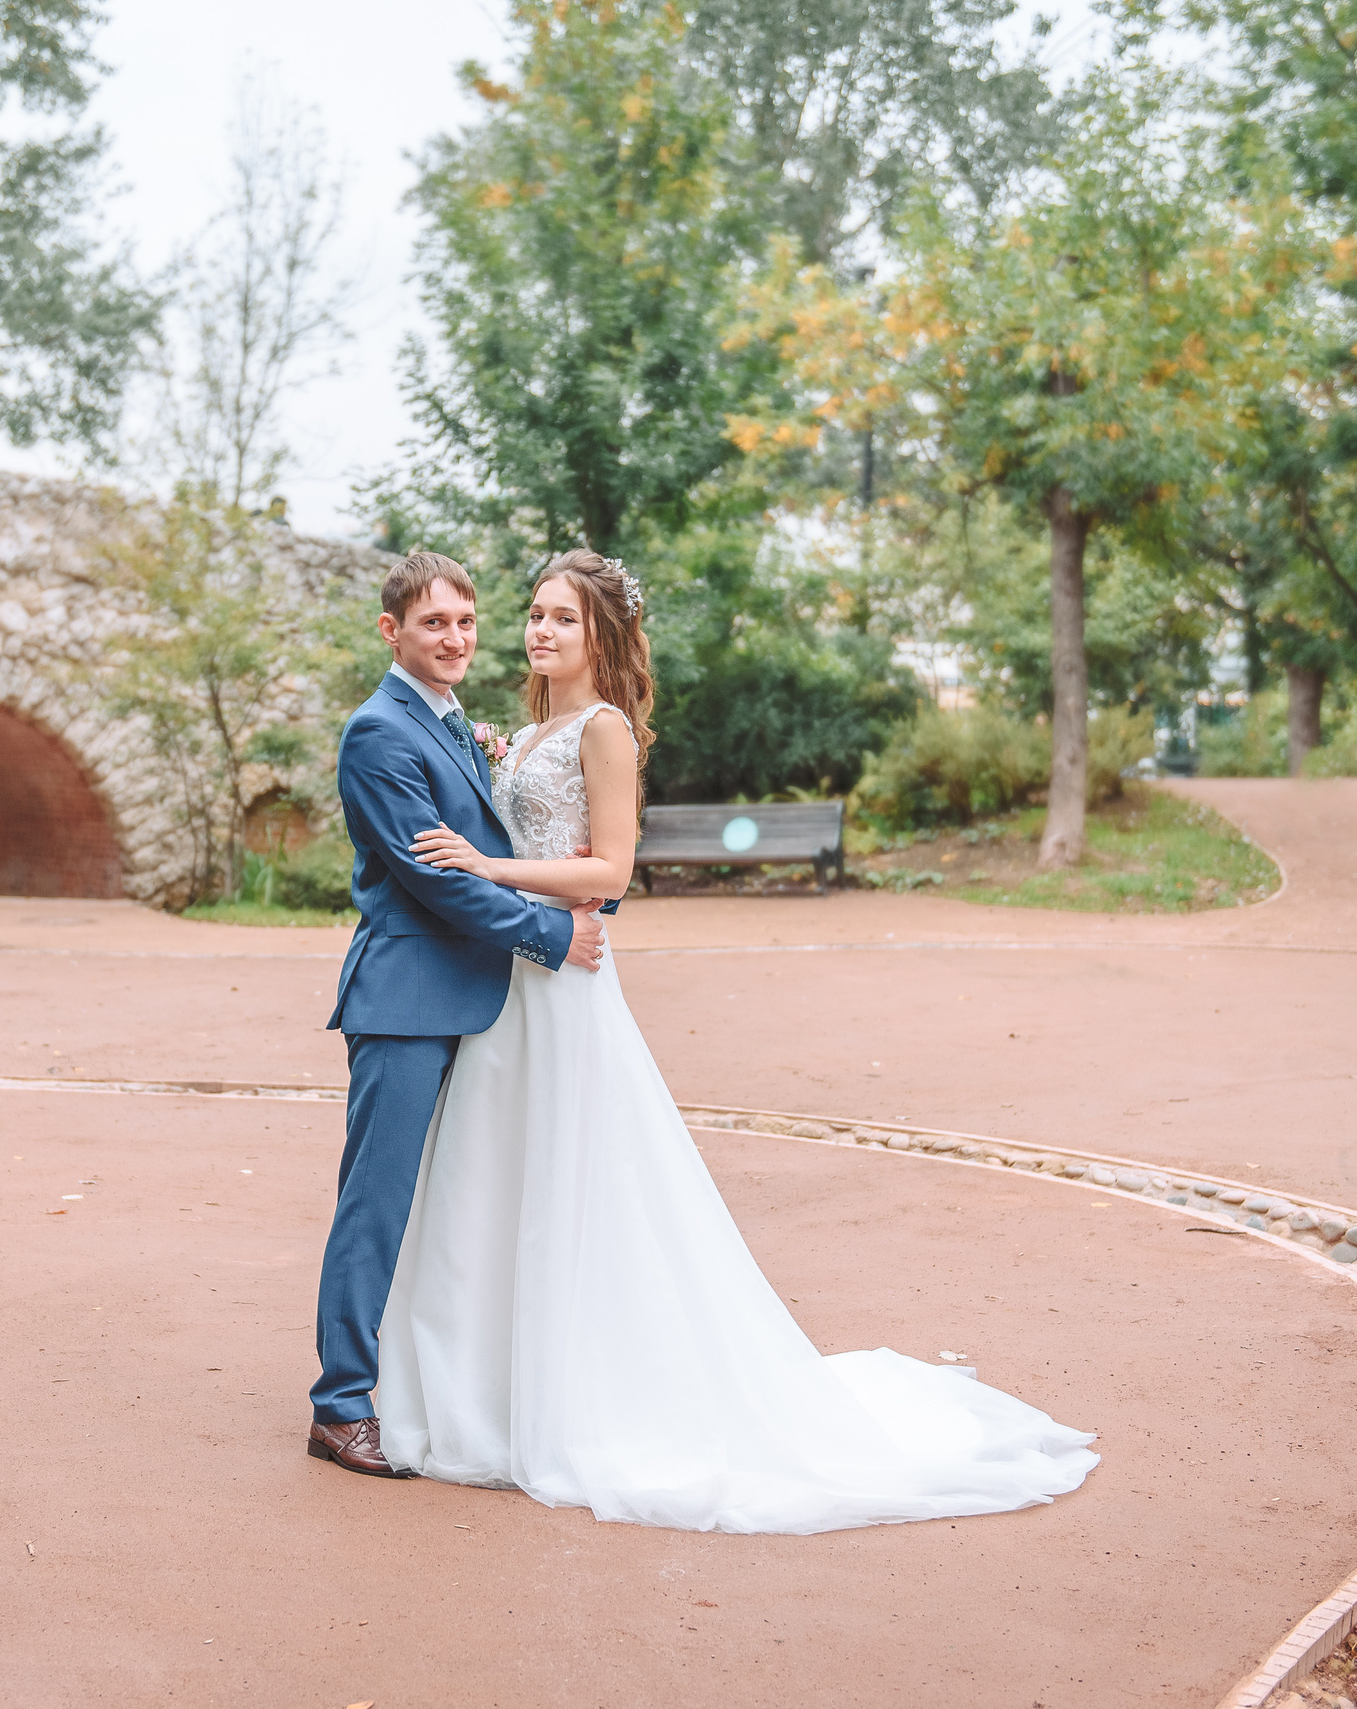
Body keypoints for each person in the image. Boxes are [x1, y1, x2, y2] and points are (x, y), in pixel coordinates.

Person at [373, 549, 1099, 1533]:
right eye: (535, 614)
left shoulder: (604, 729)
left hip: (563, 986)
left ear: (602, 637)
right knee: (492, 1179)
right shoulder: (534, 726)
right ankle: (483, 1389)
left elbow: (610, 871)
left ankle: (573, 1394)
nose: (540, 631)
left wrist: (487, 865)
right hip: (513, 985)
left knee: (568, 1186)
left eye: (564, 620)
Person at [308, 551, 607, 1476]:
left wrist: (581, 888)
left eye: (467, 623)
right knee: (379, 1202)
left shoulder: (447, 722)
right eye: (434, 623)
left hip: (475, 999)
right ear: (392, 631)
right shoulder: (379, 732)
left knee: (457, 1203)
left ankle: (440, 1378)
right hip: (406, 995)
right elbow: (436, 880)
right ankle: (341, 1403)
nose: (455, 639)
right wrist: (550, 937)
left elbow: (502, 844)